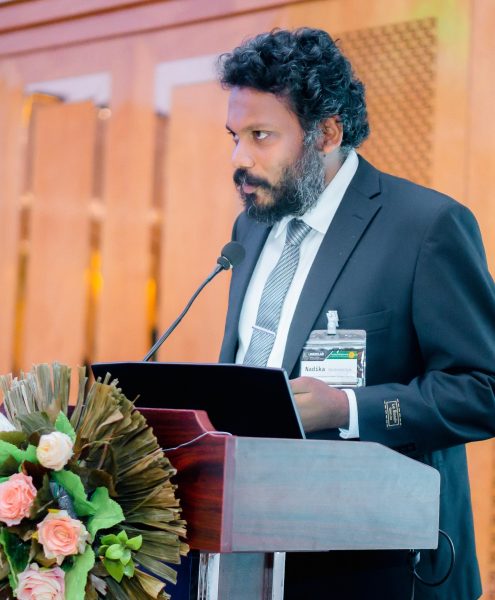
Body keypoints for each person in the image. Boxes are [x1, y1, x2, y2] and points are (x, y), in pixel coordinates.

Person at [217, 27, 495, 599]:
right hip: (255, 552)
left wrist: (347, 409)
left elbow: (483, 389)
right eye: (235, 137)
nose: (239, 160)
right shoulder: (251, 228)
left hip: (383, 565)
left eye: (261, 136)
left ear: (327, 133)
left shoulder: (425, 227)